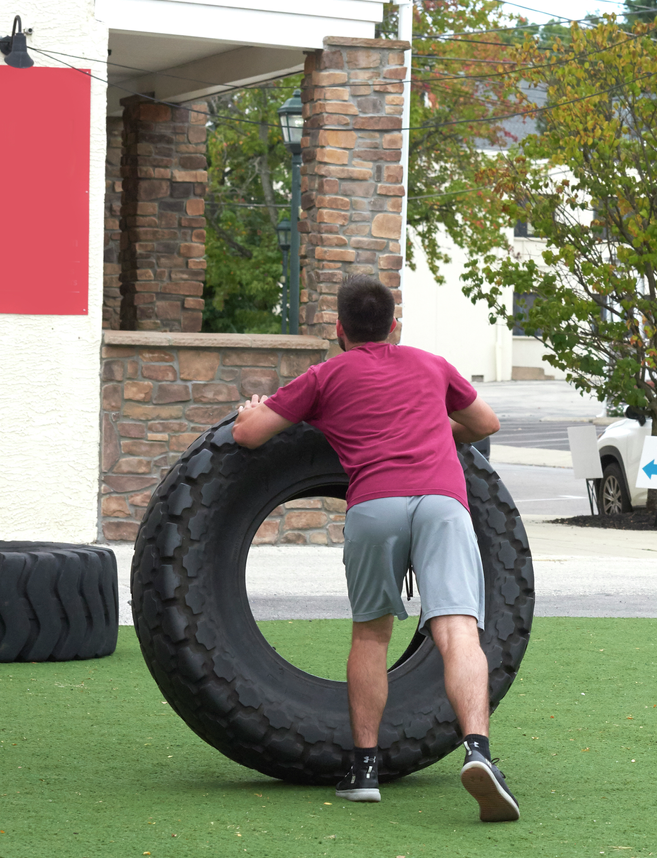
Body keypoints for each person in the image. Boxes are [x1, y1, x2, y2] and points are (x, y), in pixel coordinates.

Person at [232, 274, 516, 821]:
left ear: (339, 329)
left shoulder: (325, 375)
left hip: (374, 506)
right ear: (395, 325)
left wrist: (251, 409)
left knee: (372, 632)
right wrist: (432, 431)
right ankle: (479, 753)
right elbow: (486, 423)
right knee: (457, 630)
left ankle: (364, 770)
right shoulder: (431, 365)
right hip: (442, 501)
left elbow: (249, 436)